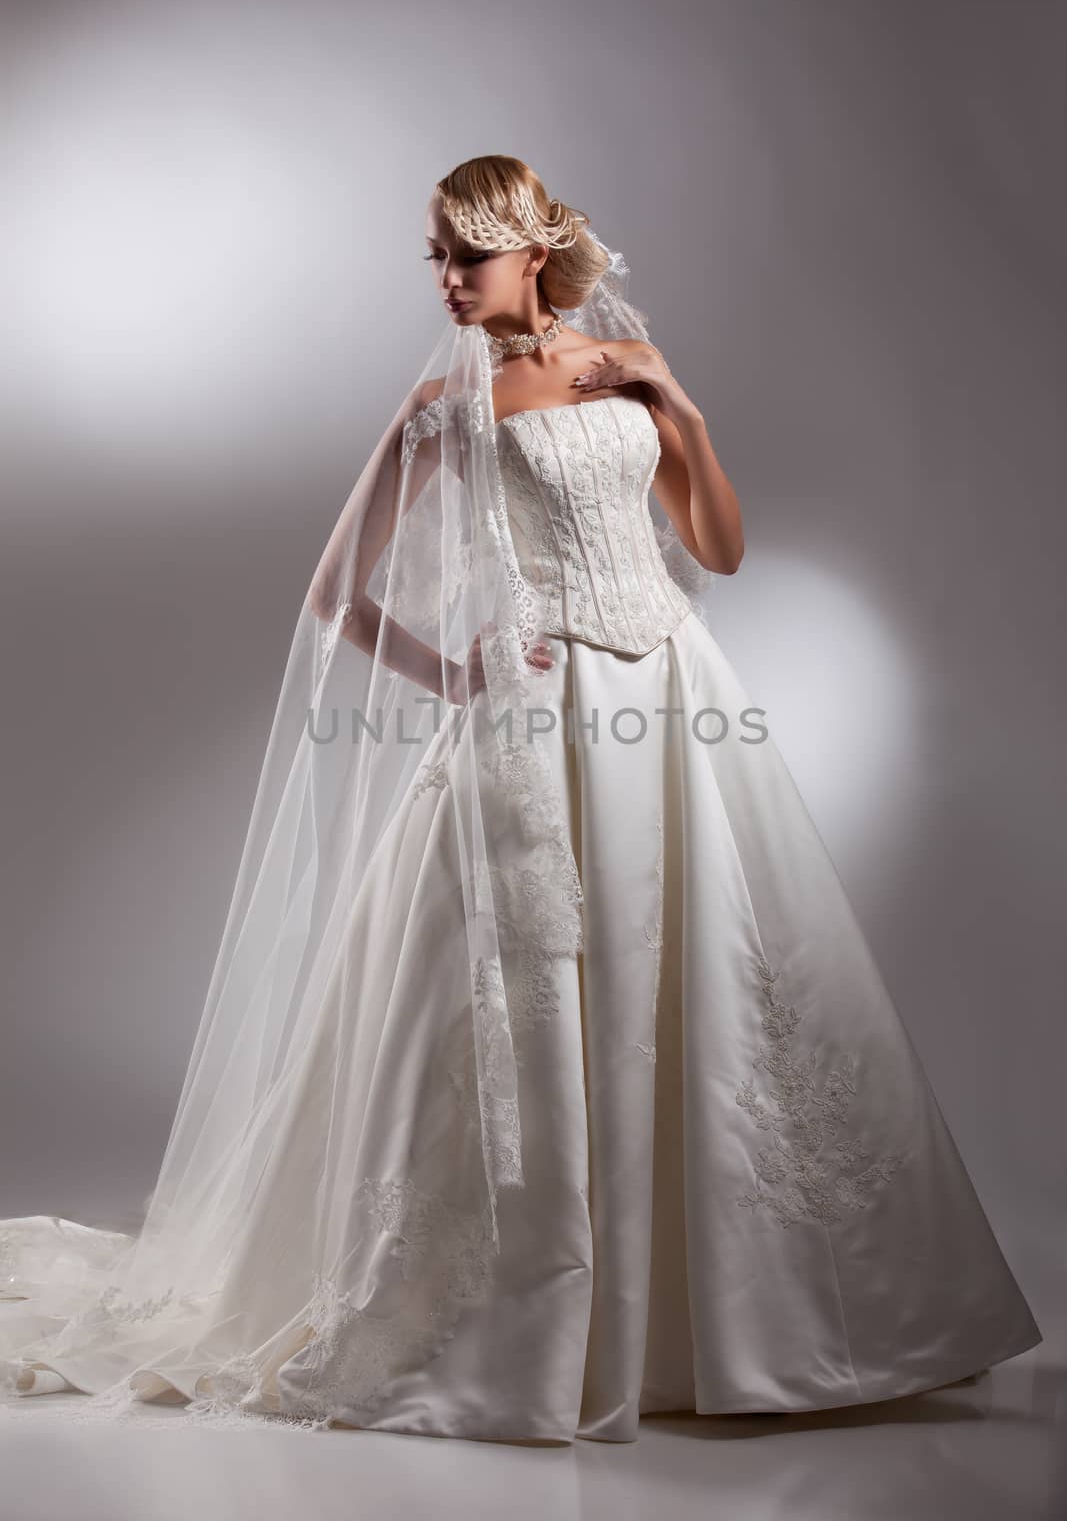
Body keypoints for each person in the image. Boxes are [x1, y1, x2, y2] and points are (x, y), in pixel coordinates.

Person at [0, 155, 1041, 1444]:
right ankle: (532, 1322)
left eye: (466, 258)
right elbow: (337, 595)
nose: (444, 283)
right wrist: (459, 668)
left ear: (532, 255)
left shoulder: (622, 366)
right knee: (541, 1000)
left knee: (714, 985)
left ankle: (737, 1323)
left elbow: (714, 548)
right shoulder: (448, 409)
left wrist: (680, 408)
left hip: (667, 703)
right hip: (534, 727)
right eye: (433, 259)